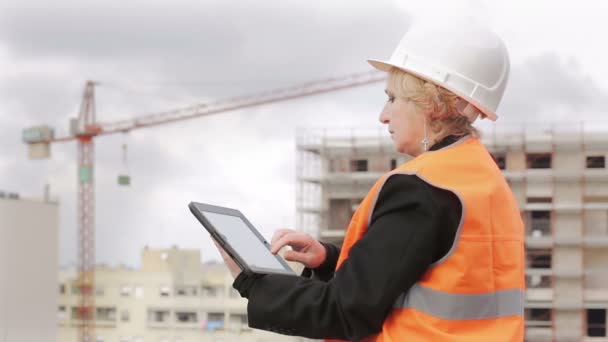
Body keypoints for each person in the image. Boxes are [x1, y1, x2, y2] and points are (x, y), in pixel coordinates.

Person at [216, 19, 525, 342]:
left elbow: (343, 312)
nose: (383, 115)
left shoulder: (421, 189)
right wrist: (328, 260)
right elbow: (427, 277)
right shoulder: (483, 178)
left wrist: (252, 282)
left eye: (392, 98)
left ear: (432, 104)